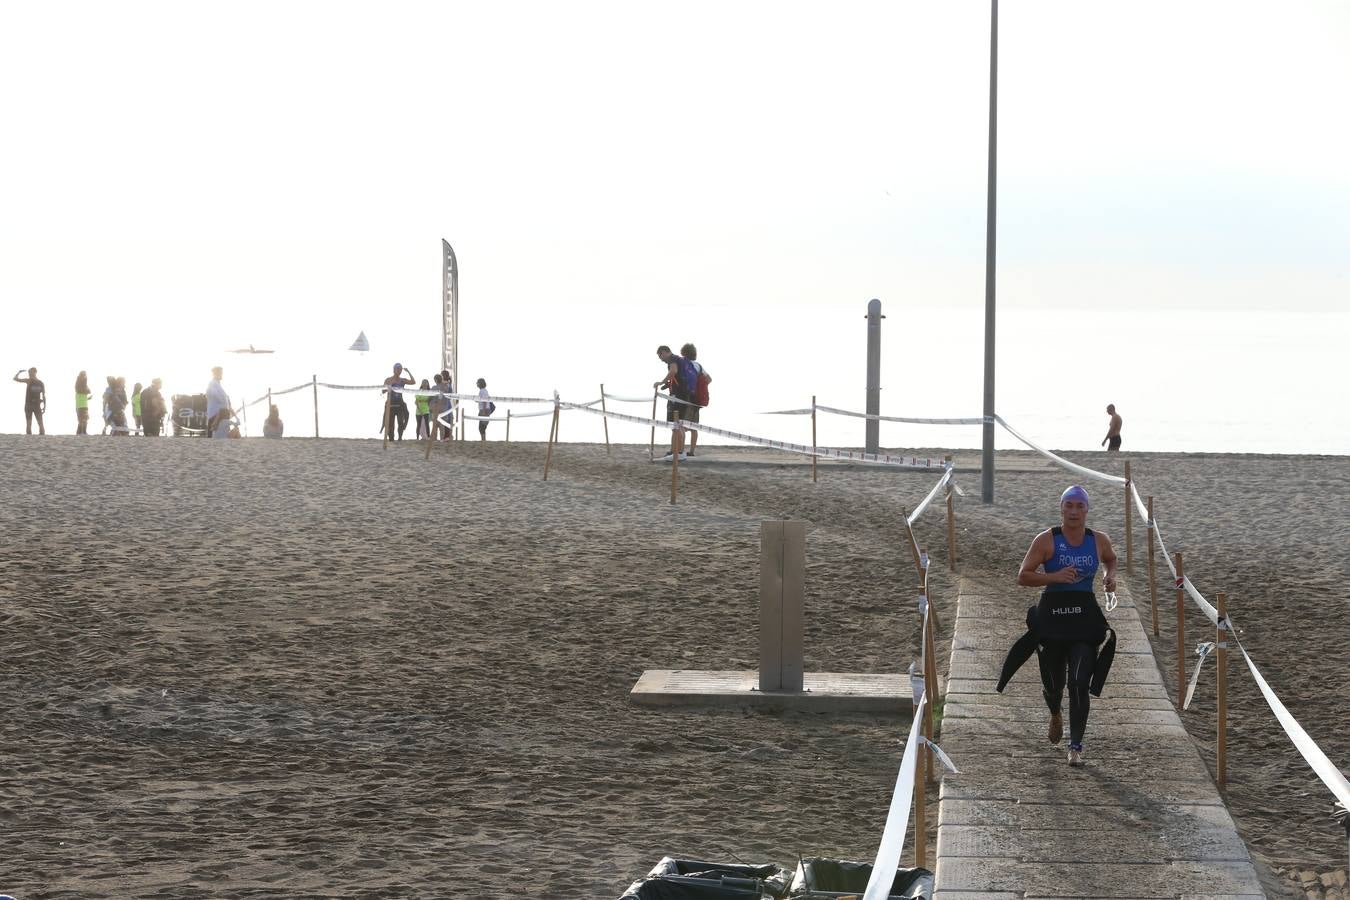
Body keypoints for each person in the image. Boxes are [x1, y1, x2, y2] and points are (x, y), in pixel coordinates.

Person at [1015, 485, 1118, 767]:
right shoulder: (1047, 540)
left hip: (1084, 617)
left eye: (1079, 506)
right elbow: (1023, 576)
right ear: (1061, 508)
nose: (1074, 511)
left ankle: (1075, 746)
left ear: (1087, 510)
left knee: (1079, 682)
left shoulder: (1098, 540)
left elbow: (1110, 558)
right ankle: (1055, 713)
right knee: (1054, 684)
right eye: (1069, 505)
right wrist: (1056, 576)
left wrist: (1110, 576)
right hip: (1053, 617)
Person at [653, 345, 698, 461]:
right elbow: (677, 376)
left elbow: (673, 371)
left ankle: (679, 452)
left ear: (665, 352)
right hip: (684, 396)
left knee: (677, 425)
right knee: (677, 425)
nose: (660, 359)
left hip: (677, 397)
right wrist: (667, 384)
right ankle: (675, 451)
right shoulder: (680, 360)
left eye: (660, 355)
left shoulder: (673, 359)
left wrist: (661, 382)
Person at [680, 342, 710, 457]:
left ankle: (681, 450)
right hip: (697, 400)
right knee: (694, 426)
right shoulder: (699, 366)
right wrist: (700, 387)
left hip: (687, 399)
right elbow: (709, 379)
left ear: (684, 354)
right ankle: (692, 451)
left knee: (682, 425)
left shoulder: (684, 365)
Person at [381, 363, 414, 441]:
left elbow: (413, 382)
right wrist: (390, 386)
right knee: (390, 423)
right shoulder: (388, 380)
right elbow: (383, 391)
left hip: (400, 403)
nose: (399, 371)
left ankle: (400, 437)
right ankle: (391, 438)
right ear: (394, 370)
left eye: (400, 369)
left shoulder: (402, 380)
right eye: (398, 369)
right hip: (390, 403)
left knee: (401, 422)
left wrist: (408, 371)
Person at [13, 367, 47, 434]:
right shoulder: (28, 381)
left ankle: (42, 437)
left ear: (35, 372)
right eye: (29, 373)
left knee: (40, 423)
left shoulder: (40, 383)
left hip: (37, 405)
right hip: (29, 404)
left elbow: (43, 396)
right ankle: (29, 438)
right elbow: (15, 379)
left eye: (31, 372)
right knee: (29, 423)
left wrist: (44, 406)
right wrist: (19, 372)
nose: (29, 374)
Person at [206, 366, 233, 438]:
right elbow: (211, 393)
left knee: (221, 435)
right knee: (213, 436)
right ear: (215, 374)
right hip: (215, 414)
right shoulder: (212, 383)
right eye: (220, 373)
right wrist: (223, 400)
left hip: (220, 414)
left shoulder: (217, 384)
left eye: (221, 373)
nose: (221, 375)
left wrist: (227, 401)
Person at [438, 369, 455, 440]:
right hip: (446, 403)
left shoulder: (446, 383)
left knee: (446, 419)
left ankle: (447, 436)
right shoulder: (448, 383)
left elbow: (442, 395)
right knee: (448, 419)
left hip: (445, 403)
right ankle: (447, 436)